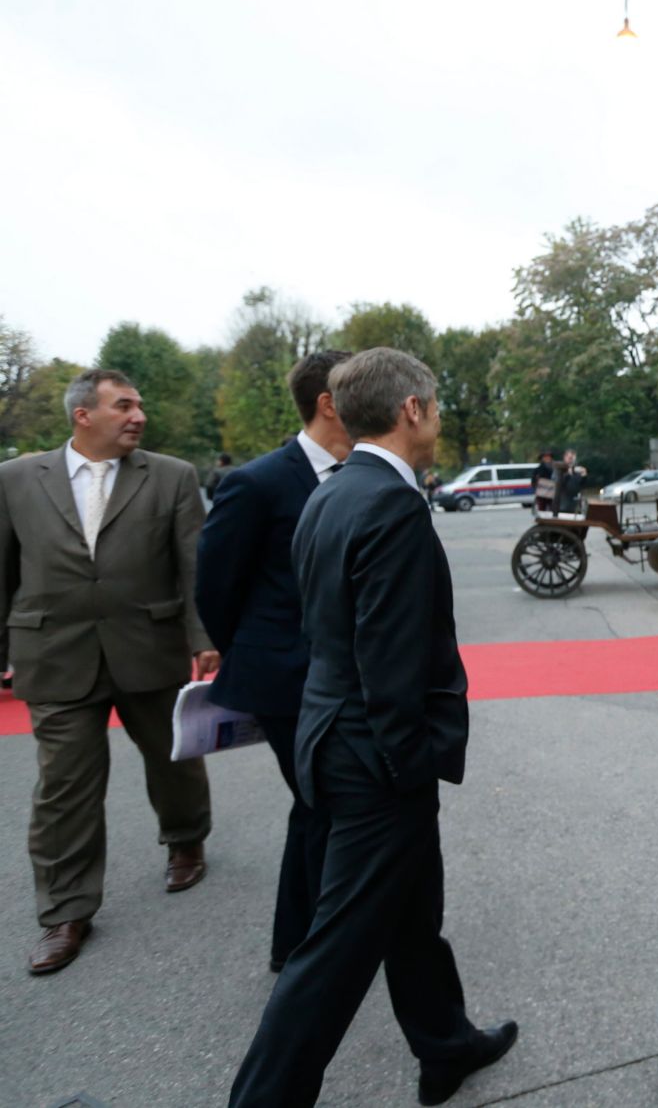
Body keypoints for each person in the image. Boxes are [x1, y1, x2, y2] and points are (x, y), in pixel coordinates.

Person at [229, 349, 516, 1107]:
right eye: (435, 402)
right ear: (411, 410)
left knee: (412, 909)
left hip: (332, 738)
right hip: (375, 756)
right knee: (333, 951)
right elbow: (387, 659)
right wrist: (409, 759)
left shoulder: (330, 490)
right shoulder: (387, 502)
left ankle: (445, 1045)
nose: (439, 415)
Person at [2, 368, 218, 976]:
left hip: (148, 644)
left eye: (141, 405)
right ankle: (65, 912)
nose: (138, 415)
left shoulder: (172, 475)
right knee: (64, 786)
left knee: (172, 758)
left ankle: (185, 837)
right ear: (83, 416)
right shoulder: (16, 479)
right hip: (54, 654)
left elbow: (193, 564)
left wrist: (204, 638)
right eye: (124, 406)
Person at [195, 349, 353, 973]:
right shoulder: (257, 482)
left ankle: (301, 944)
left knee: (319, 804)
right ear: (329, 403)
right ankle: (303, 951)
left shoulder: (364, 472)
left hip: (341, 678)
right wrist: (263, 655)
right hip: (286, 681)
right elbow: (216, 588)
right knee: (324, 802)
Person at [555, 449, 585, 515]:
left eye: (573, 458)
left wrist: (584, 476)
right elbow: (557, 485)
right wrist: (567, 474)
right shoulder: (559, 468)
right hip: (562, 506)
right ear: (564, 457)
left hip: (576, 505)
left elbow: (581, 486)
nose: (571, 460)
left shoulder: (576, 470)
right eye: (569, 458)